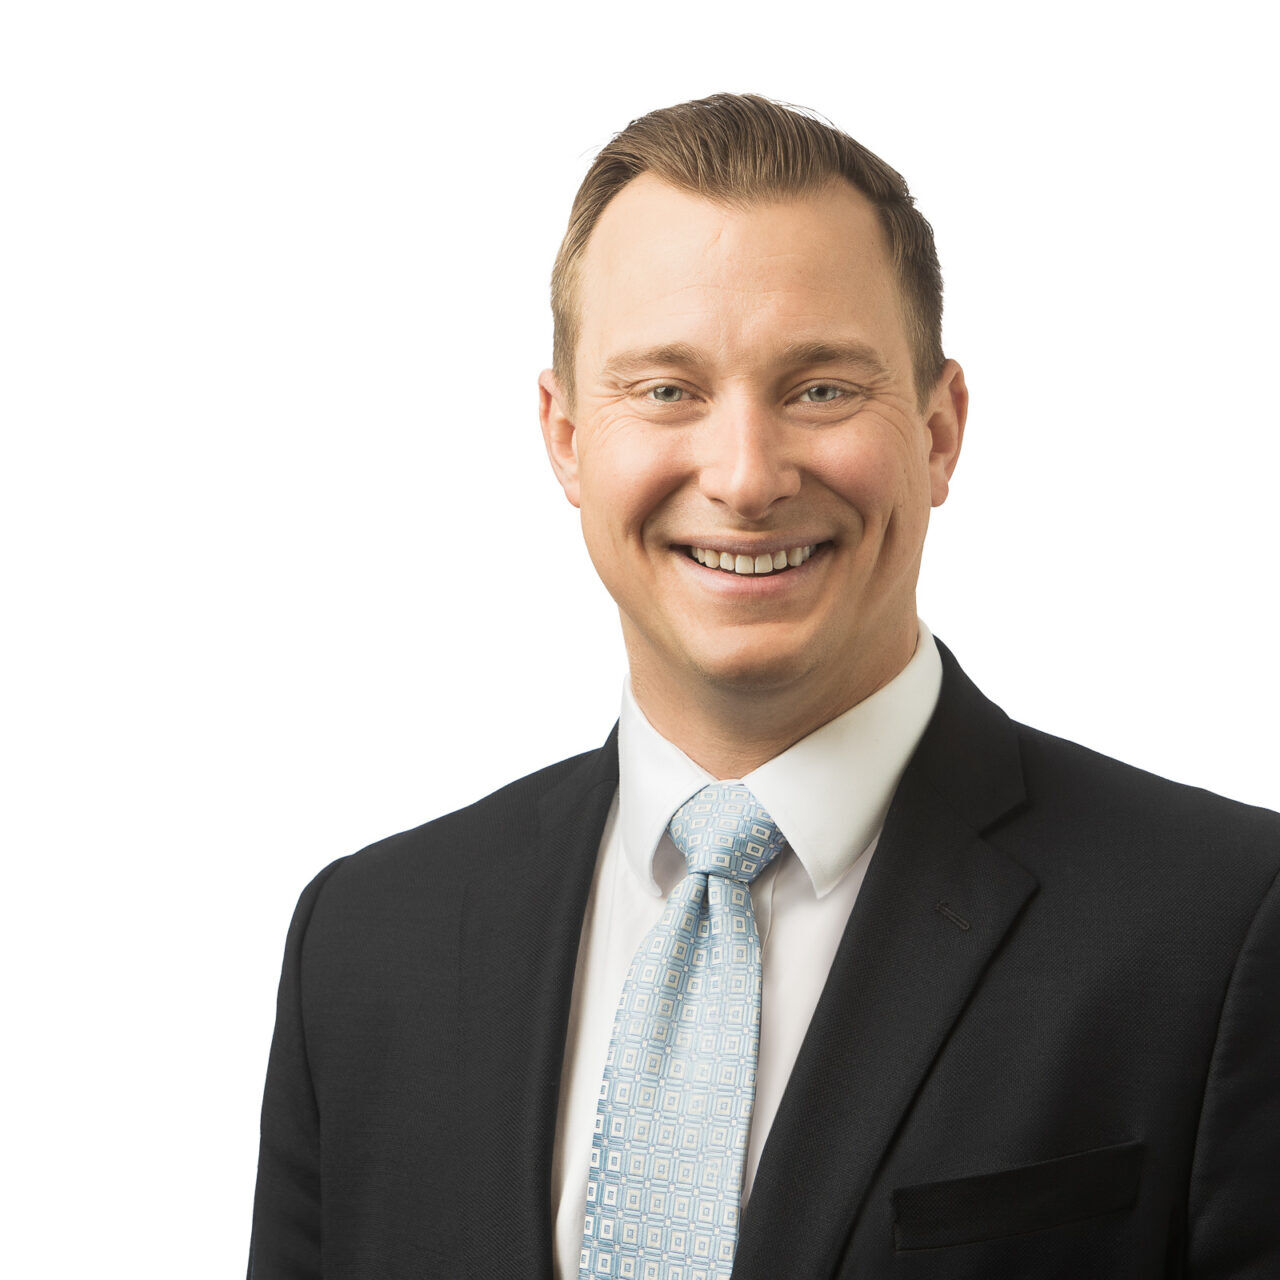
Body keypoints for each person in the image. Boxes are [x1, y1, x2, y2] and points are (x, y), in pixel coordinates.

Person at [246, 93, 1280, 1280]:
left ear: (939, 430)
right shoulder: (368, 943)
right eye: (666, 389)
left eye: (820, 388)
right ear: (566, 436)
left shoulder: (1221, 928)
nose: (743, 476)